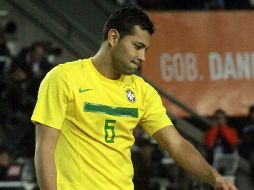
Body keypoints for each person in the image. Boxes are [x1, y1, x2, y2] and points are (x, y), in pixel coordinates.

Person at [31, 7, 237, 190]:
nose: (142, 57)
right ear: (113, 38)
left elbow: (177, 144)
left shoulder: (142, 92)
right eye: (137, 46)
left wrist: (215, 178)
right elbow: (45, 148)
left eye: (145, 50)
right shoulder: (63, 78)